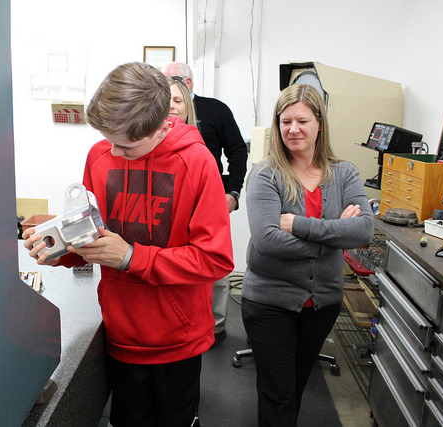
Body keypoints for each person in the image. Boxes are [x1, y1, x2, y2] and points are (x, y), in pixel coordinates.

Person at [23, 61, 234, 427]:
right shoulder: (100, 155)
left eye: (127, 146)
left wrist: (133, 257)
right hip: (121, 333)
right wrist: (59, 247)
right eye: (109, 140)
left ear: (163, 126)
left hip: (176, 339)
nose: (114, 153)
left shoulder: (197, 162)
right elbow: (94, 235)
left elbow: (215, 259)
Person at [241, 84, 374, 426]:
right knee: (278, 392)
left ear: (319, 124)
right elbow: (268, 241)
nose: (293, 129)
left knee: (297, 386)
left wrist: (301, 225)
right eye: (285, 121)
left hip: (322, 303)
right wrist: (334, 235)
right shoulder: (265, 175)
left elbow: (363, 231)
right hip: (270, 302)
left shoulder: (344, 173)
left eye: (302, 120)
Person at [163, 62, 247, 345]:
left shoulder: (216, 110)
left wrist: (233, 192)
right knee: (177, 262)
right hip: (174, 204)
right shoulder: (153, 127)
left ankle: (216, 326)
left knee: (213, 262)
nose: (171, 102)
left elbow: (237, 151)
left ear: (189, 84)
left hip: (212, 199)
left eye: (177, 94)